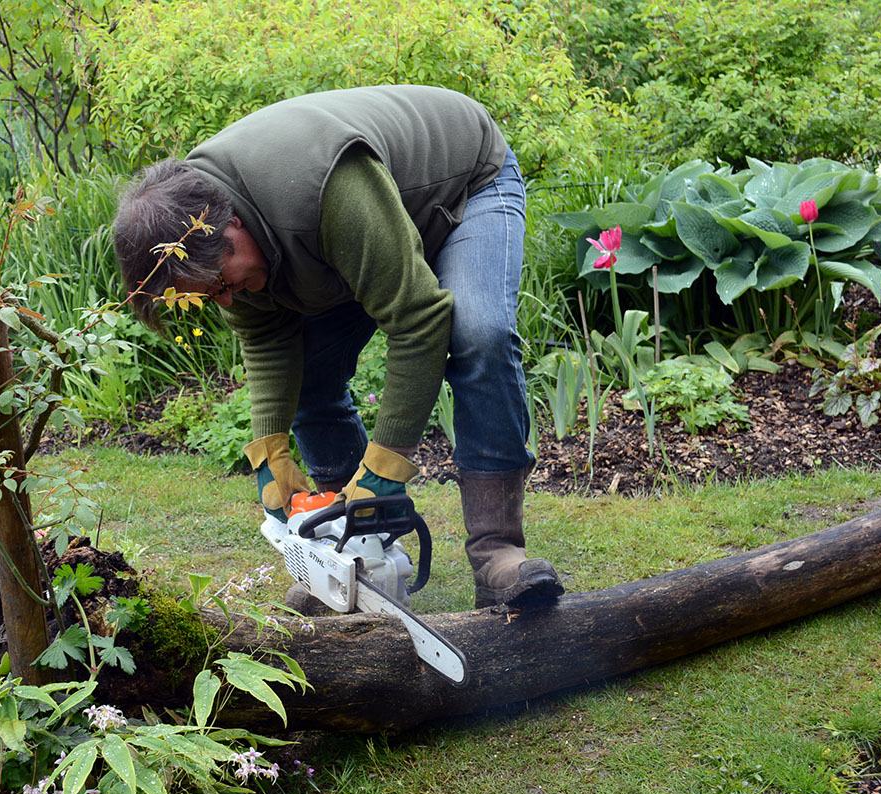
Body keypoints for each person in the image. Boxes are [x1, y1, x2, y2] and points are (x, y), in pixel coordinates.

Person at [113, 85, 563, 610]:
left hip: (462, 185)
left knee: (477, 333)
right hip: (349, 235)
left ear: (232, 224)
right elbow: (265, 336)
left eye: (222, 283)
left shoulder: (319, 189)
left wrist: (384, 468)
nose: (227, 299)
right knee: (311, 375)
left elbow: (418, 318)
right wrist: (269, 453)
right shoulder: (202, 228)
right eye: (213, 296)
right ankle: (353, 553)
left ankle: (497, 552)